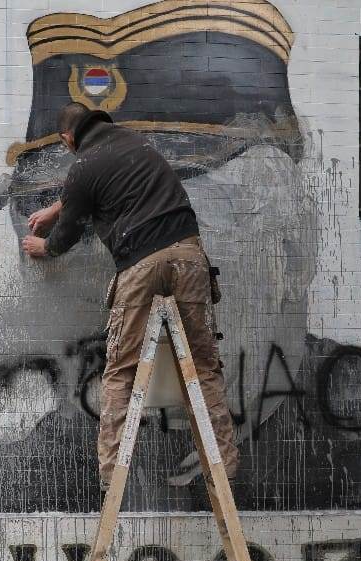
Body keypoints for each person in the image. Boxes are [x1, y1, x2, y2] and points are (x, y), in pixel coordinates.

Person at [21, 102, 239, 491]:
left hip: (141, 264)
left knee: (122, 371)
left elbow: (69, 231)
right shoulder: (137, 145)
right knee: (204, 367)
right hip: (189, 257)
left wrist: (46, 247)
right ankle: (222, 467)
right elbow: (95, 189)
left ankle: (111, 476)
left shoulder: (83, 168)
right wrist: (58, 206)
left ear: (68, 140)